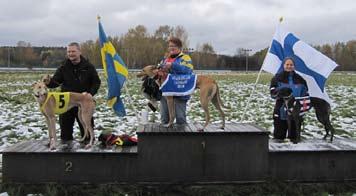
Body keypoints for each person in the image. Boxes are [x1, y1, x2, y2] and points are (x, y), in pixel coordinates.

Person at [44, 42, 101, 142]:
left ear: (79, 52)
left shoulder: (88, 66)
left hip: (83, 102)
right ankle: (66, 155)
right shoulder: (63, 66)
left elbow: (96, 82)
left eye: (73, 51)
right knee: (65, 136)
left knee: (87, 132)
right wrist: (49, 82)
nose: (70, 54)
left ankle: (88, 151)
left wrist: (90, 94)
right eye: (69, 51)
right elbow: (55, 82)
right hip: (66, 104)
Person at [270, 57, 308, 142]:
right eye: (287, 64)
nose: (289, 66)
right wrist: (279, 91)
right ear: (283, 65)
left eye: (291, 64)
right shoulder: (276, 78)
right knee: (278, 139)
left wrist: (302, 110)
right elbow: (272, 94)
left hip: (295, 114)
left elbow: (305, 96)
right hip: (280, 112)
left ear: (294, 66)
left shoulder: (301, 80)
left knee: (294, 140)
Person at [158, 37, 194, 125]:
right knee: (164, 119)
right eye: (169, 46)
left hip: (180, 94)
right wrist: (159, 71)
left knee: (180, 120)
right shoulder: (165, 59)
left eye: (174, 46)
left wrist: (173, 65)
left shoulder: (185, 57)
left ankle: (181, 138)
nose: (171, 48)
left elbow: (187, 70)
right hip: (166, 94)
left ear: (180, 47)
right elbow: (160, 70)